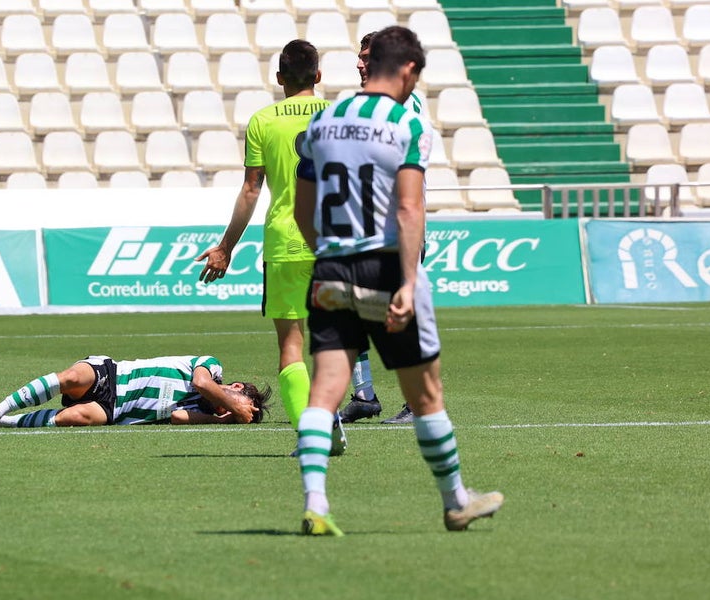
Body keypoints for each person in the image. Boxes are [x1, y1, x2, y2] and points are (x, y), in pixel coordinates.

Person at [292, 25, 503, 536]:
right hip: (385, 267)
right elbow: (409, 209)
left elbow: (302, 210)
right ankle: (455, 501)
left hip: (331, 267)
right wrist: (407, 283)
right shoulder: (407, 124)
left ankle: (316, 504)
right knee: (426, 394)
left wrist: (327, 255)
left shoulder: (323, 121)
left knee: (325, 390)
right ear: (408, 69)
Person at [193, 40, 347, 454]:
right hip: (335, 241)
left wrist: (226, 247)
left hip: (285, 242)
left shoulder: (263, 120)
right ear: (318, 75)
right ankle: (330, 412)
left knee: (291, 346)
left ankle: (312, 433)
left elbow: (251, 189)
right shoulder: (340, 117)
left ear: (279, 78)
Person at [340, 30, 436, 426]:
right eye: (360, 57)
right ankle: (364, 396)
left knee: (397, 315)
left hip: (395, 230)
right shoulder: (374, 105)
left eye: (366, 57)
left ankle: (418, 403)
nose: (359, 64)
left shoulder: (402, 107)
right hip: (367, 229)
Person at [0, 354, 269, 429]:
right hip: (112, 376)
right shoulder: (212, 368)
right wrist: (235, 408)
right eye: (243, 404)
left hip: (116, 411)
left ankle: (1, 422)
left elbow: (177, 417)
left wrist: (220, 419)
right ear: (237, 387)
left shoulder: (203, 411)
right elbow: (201, 383)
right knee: (71, 378)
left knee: (75, 417)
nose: (230, 410)